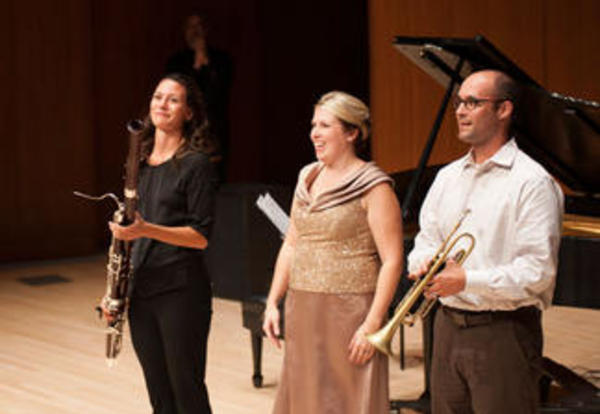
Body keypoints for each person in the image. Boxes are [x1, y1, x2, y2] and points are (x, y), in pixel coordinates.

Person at [407, 70, 563, 413]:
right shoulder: (447, 177)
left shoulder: (531, 183)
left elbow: (537, 273)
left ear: (503, 110)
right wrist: (421, 262)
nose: (461, 111)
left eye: (473, 103)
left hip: (503, 333)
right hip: (447, 327)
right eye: (459, 102)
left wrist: (466, 279)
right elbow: (427, 238)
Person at [262, 91, 404, 413]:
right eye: (314, 124)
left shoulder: (374, 186)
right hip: (302, 306)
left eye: (325, 125)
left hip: (350, 310)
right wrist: (273, 302)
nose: (314, 133)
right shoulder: (306, 176)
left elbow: (393, 260)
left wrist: (372, 324)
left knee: (348, 401)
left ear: (352, 133)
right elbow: (292, 243)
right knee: (305, 398)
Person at [106, 73, 218, 414]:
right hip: (142, 290)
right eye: (158, 97)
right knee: (159, 393)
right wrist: (112, 290)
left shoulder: (196, 164)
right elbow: (124, 236)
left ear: (189, 112)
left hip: (181, 291)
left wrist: (145, 230)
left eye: (173, 99)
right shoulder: (136, 164)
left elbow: (200, 237)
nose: (162, 105)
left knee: (187, 389)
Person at [166, 14, 233, 177]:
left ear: (206, 30)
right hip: (184, 131)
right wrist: (196, 65)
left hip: (214, 132)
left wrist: (205, 61)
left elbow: (219, 93)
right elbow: (178, 93)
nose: (195, 33)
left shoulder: (222, 60)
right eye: (191, 27)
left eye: (199, 27)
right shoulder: (176, 62)